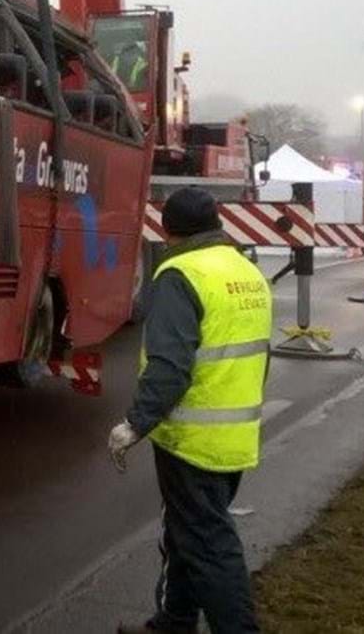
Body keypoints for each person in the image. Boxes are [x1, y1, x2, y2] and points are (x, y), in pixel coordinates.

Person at [110, 186, 273, 634]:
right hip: (235, 433)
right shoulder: (245, 271)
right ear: (217, 223)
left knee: (208, 544)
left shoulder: (179, 273)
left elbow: (169, 366)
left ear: (168, 230)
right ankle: (174, 621)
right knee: (189, 534)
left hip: (191, 439)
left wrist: (135, 423)